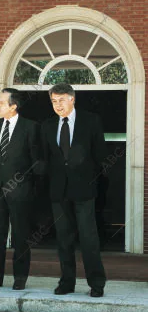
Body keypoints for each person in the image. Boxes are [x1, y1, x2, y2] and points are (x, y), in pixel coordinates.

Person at [41, 83, 106, 297]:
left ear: (72, 99)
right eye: (53, 101)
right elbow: (46, 159)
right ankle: (67, 282)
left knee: (89, 238)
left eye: (61, 100)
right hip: (58, 192)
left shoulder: (91, 121)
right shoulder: (48, 125)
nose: (57, 105)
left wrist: (92, 181)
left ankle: (96, 284)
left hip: (84, 190)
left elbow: (100, 156)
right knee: (63, 239)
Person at [0, 88, 40, 291]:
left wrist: (26, 186)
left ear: (13, 106)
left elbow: (36, 161)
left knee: (20, 236)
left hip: (20, 190)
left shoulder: (30, 127)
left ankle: (20, 277)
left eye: (1, 102)